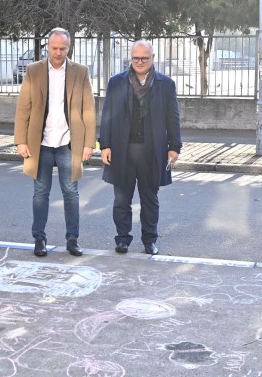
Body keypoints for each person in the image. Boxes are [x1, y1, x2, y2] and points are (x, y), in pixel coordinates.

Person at [14, 27, 96, 257]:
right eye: (54, 48)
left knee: (71, 192)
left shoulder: (80, 72)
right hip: (40, 144)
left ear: (69, 48)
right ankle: (39, 239)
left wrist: (89, 143)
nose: (58, 53)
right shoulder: (34, 70)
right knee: (40, 193)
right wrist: (20, 141)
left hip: (69, 143)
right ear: (47, 47)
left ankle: (72, 239)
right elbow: (23, 108)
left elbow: (89, 109)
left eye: (63, 48)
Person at [99, 39, 182, 255]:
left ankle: (149, 240)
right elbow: (107, 115)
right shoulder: (117, 82)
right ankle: (122, 239)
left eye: (144, 58)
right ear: (131, 58)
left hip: (152, 151)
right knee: (121, 200)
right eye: (136, 58)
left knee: (150, 200)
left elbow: (173, 118)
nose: (140, 62)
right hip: (122, 150)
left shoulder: (166, 84)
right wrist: (105, 145)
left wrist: (174, 147)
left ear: (153, 58)